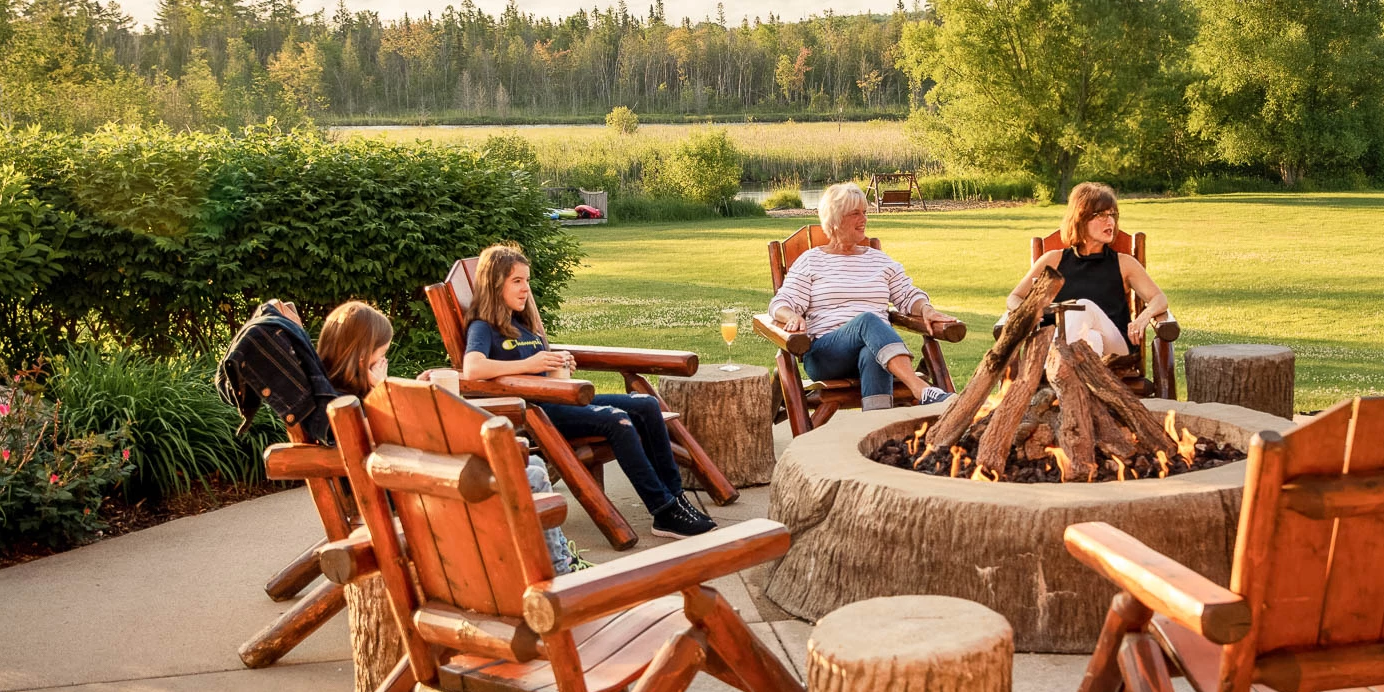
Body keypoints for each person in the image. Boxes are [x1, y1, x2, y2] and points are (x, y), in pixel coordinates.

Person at [460, 243, 716, 539]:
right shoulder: (484, 327)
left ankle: (676, 500)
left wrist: (560, 362)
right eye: (516, 281)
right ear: (494, 285)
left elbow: (551, 376)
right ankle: (663, 510)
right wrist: (531, 363)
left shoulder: (523, 324)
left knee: (645, 404)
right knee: (616, 420)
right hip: (536, 413)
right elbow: (473, 368)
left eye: (526, 281)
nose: (525, 289)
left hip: (557, 399)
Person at [315, 299, 583, 570]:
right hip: (408, 493)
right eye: (381, 355)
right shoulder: (344, 404)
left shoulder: (351, 392)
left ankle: (562, 560)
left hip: (415, 481)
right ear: (362, 357)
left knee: (533, 465)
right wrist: (384, 389)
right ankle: (559, 569)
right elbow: (388, 436)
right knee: (533, 475)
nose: (384, 361)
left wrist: (405, 390)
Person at [769, 182, 958, 410]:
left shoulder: (879, 261)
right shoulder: (811, 261)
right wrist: (791, 315)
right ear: (836, 220)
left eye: (865, 213)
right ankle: (920, 389)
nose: (864, 219)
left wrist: (926, 309)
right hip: (826, 355)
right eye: (855, 213)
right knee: (868, 320)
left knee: (873, 353)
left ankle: (877, 429)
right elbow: (781, 302)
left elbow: (908, 295)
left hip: (875, 348)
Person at [1005, 182, 1169, 360]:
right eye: (1101, 215)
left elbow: (1159, 299)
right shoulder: (1053, 260)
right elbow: (1014, 298)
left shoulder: (1124, 263)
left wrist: (1143, 318)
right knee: (1092, 338)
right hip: (1075, 346)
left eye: (1112, 214)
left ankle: (1057, 367)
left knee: (1083, 307)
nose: (1110, 221)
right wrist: (1028, 314)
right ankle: (1077, 381)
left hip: (1115, 348)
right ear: (1080, 219)